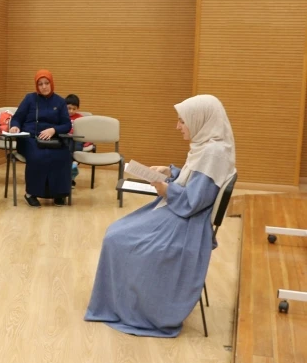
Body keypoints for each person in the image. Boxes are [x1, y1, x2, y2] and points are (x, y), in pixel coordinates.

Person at [84, 94, 236, 338]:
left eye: (182, 121)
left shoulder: (213, 153)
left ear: (200, 119)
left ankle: (131, 306)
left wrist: (166, 189)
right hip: (180, 214)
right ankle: (122, 301)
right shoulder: (207, 146)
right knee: (116, 232)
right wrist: (170, 172)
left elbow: (194, 201)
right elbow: (195, 180)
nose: (178, 126)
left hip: (187, 223)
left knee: (117, 239)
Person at [9, 70, 72, 207]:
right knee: (38, 156)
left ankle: (59, 194)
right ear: (36, 86)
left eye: (46, 83)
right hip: (30, 137)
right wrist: (15, 126)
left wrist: (54, 130)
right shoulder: (29, 99)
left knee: (63, 155)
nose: (44, 87)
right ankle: (31, 193)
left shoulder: (60, 101)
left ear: (51, 83)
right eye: (40, 84)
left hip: (52, 138)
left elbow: (67, 124)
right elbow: (17, 118)